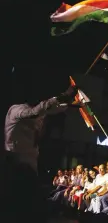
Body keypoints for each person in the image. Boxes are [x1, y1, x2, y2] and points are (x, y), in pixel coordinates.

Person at [3, 84, 78, 222]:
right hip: (16, 160)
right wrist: (63, 95)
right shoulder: (17, 109)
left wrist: (72, 103)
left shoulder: (41, 112)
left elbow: (54, 108)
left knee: (28, 200)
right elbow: (36, 112)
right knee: (19, 198)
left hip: (31, 161)